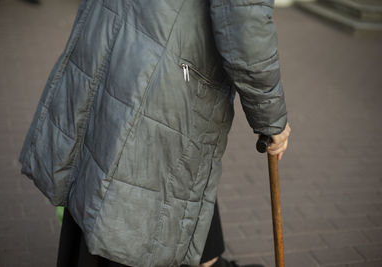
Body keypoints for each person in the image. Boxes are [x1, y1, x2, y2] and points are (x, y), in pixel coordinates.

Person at [18, 0, 290, 266]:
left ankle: (209, 260)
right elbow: (244, 20)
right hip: (162, 73)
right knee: (137, 208)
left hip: (114, 42)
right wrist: (270, 118)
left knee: (104, 186)